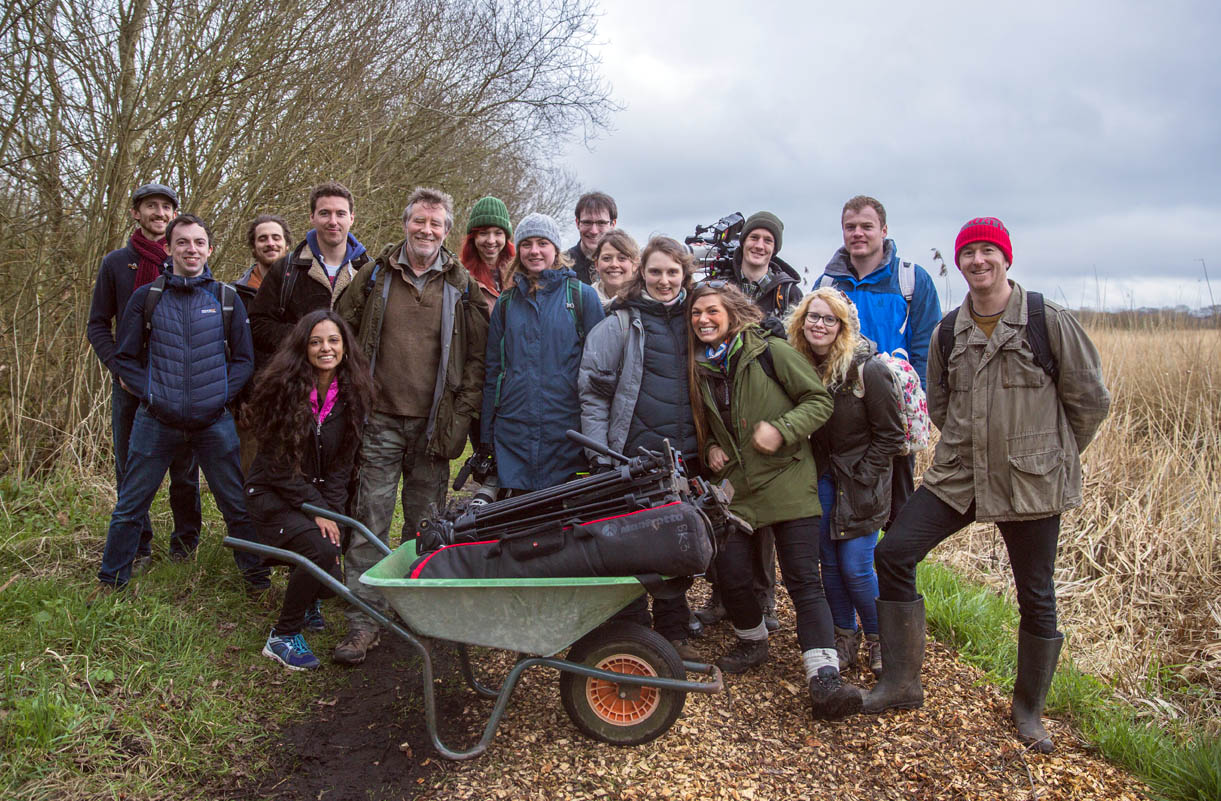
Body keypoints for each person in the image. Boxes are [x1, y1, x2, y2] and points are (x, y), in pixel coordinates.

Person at [865, 217, 1111, 754]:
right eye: (968, 253)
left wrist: (1045, 456)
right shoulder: (949, 329)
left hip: (1031, 482)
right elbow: (941, 400)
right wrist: (967, 444)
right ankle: (902, 683)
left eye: (987, 251)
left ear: (1006, 258)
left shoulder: (1048, 320)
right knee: (895, 554)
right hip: (960, 475)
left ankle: (1028, 711)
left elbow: (1090, 401)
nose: (978, 261)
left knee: (1036, 595)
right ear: (959, 263)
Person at [687, 281, 863, 720]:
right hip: (739, 491)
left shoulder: (769, 352)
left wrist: (782, 430)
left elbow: (818, 401)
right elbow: (711, 423)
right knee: (729, 572)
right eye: (695, 314)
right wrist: (710, 448)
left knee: (803, 578)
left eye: (711, 311)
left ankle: (824, 678)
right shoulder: (703, 367)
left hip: (786, 479)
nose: (703, 319)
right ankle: (753, 641)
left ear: (731, 312)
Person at [335, 187, 489, 665]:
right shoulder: (374, 275)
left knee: (425, 526)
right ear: (406, 224)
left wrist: (460, 415)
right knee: (370, 522)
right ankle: (363, 621)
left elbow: (478, 361)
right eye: (419, 222)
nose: (426, 231)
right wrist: (354, 398)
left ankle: (415, 612)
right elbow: (340, 333)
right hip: (379, 420)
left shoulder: (462, 286)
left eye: (436, 224)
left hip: (434, 427)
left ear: (446, 232)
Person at [93, 214, 268, 594]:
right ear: (169, 249)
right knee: (130, 504)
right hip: (156, 420)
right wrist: (153, 393)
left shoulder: (226, 299)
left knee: (236, 504)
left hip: (214, 422)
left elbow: (243, 361)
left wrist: (220, 394)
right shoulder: (147, 299)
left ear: (210, 249)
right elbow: (125, 358)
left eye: (199, 243)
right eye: (183, 243)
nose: (192, 250)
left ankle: (257, 581)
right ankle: (111, 581)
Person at [579, 236, 697, 659]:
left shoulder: (696, 319)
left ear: (684, 273)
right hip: (631, 454)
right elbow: (593, 394)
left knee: (676, 541)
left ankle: (673, 624)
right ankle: (630, 624)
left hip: (686, 453)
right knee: (629, 542)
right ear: (641, 273)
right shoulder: (618, 325)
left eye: (672, 272)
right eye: (655, 272)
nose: (664, 281)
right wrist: (599, 455)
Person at [244, 310, 373, 671]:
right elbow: (277, 467)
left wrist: (332, 516)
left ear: (345, 347)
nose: (325, 348)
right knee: (318, 548)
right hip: (274, 493)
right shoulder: (280, 389)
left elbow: (341, 468)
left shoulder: (352, 395)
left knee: (332, 548)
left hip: (316, 498)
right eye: (315, 342)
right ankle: (282, 636)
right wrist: (316, 512)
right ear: (303, 348)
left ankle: (312, 597)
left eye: (333, 340)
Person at [786, 288, 905, 678]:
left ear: (842, 326)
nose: (819, 325)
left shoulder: (867, 369)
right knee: (830, 566)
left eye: (828, 319)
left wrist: (865, 475)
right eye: (813, 317)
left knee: (856, 566)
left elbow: (891, 436)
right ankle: (843, 635)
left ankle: (881, 639)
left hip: (862, 482)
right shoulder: (801, 365)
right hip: (822, 477)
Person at [697, 210, 802, 632]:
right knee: (723, 508)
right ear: (742, 242)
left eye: (767, 241)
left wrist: (781, 331)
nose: (759, 246)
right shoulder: (720, 281)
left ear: (775, 247)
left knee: (765, 517)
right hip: (721, 393)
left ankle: (764, 599)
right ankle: (721, 595)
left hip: (763, 399)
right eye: (753, 238)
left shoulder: (786, 289)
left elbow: (803, 340)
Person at [87, 183, 201, 568]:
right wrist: (119, 369)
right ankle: (139, 545)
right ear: (136, 213)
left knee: (185, 467)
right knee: (130, 468)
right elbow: (99, 325)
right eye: (151, 206)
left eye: (166, 207)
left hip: (178, 383)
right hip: (130, 383)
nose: (159, 213)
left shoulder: (187, 259)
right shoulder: (117, 263)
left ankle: (186, 545)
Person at [816, 195, 942, 527]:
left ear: (883, 230)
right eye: (850, 227)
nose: (858, 233)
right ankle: (853, 578)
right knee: (838, 518)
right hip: (840, 422)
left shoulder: (912, 281)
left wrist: (919, 413)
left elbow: (927, 351)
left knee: (895, 519)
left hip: (892, 419)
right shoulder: (828, 284)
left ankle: (890, 578)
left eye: (866, 226)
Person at [482, 213, 604, 492]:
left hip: (567, 434)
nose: (534, 251)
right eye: (527, 244)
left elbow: (600, 372)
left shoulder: (582, 297)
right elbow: (494, 371)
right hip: (515, 434)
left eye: (542, 243)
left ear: (556, 248)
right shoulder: (506, 303)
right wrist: (486, 436)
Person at [248, 182, 369, 367]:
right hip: (297, 380)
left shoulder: (369, 272)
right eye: (324, 213)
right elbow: (258, 324)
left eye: (341, 214)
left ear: (352, 218)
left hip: (350, 382)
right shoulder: (286, 269)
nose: (333, 221)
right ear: (312, 217)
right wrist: (306, 339)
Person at [234, 213, 292, 473]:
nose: (270, 243)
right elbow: (231, 349)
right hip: (251, 401)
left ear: (287, 244)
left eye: (276, 237)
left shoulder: (300, 289)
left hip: (295, 397)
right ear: (254, 247)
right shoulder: (236, 295)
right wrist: (239, 398)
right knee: (252, 474)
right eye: (263, 239)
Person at [459, 195, 515, 310]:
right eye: (483, 233)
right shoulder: (461, 277)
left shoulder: (519, 273)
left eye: (498, 233)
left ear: (506, 237)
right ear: (473, 237)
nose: (491, 241)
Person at [566, 191, 618, 285]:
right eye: (587, 222)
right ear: (577, 223)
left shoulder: (626, 266)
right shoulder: (562, 265)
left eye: (601, 223)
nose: (594, 231)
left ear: (612, 224)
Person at [589, 229, 640, 308]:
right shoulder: (583, 302)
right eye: (606, 258)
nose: (614, 264)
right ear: (596, 264)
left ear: (635, 264)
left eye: (622, 258)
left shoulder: (646, 304)